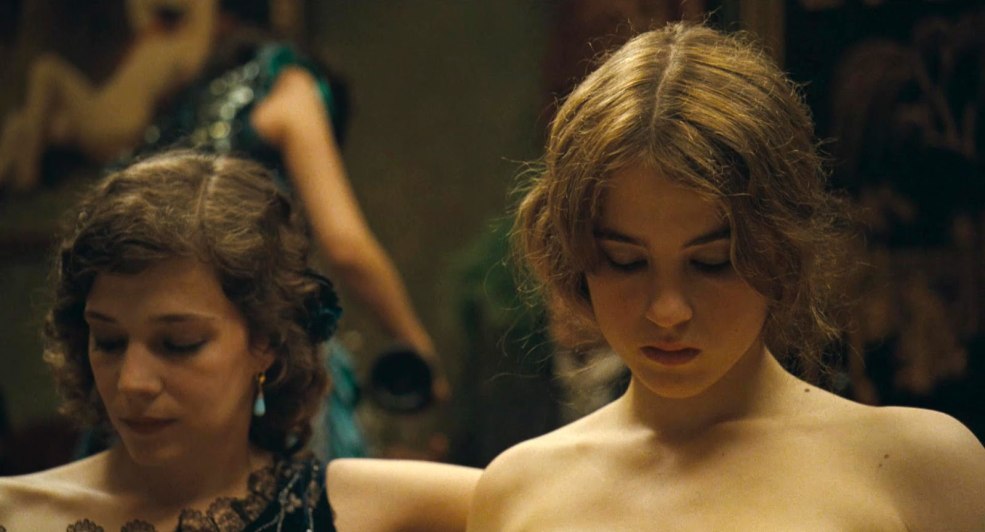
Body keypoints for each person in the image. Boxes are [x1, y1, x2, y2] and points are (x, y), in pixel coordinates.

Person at [467, 22, 985, 531]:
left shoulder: (922, 468)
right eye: (627, 262)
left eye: (712, 262)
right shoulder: (521, 490)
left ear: (780, 250)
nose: (667, 310)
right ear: (576, 256)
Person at [0, 151, 479, 531]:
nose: (132, 383)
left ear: (265, 340)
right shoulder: (16, 513)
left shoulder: (353, 504)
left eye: (178, 344)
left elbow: (525, 487)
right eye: (108, 341)